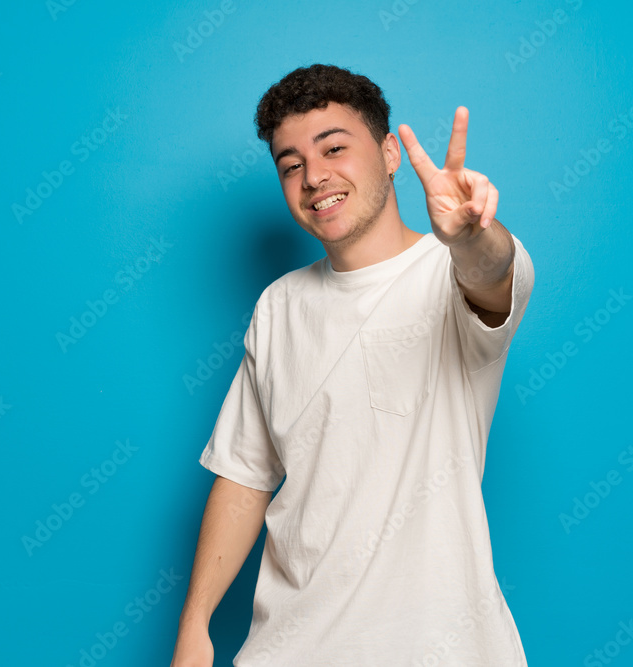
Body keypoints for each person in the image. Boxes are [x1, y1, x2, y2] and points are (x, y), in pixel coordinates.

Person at [171, 63, 534, 666]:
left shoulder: (449, 275)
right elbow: (244, 476)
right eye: (291, 164)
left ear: (390, 152)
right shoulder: (278, 306)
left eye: (334, 148)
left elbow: (492, 276)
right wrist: (195, 624)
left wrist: (471, 237)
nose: (314, 177)